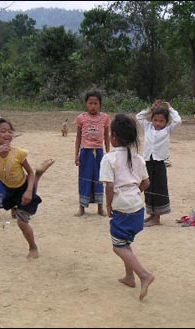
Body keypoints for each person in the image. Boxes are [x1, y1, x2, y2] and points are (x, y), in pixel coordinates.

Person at [99, 113, 155, 301]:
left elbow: (109, 185)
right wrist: (134, 192)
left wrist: (108, 204)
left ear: (114, 136)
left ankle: (144, 275)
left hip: (122, 207)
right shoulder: (138, 158)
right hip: (137, 208)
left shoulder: (109, 159)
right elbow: (146, 183)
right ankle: (129, 277)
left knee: (118, 246)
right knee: (125, 242)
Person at [0, 118, 54, 259]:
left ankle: (33, 247)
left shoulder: (18, 153)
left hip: (23, 186)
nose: (8, 134)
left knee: (22, 221)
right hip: (9, 189)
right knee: (11, 207)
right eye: (3, 131)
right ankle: (39, 177)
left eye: (10, 131)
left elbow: (29, 173)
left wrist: (28, 190)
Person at [136, 100, 181, 227]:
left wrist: (170, 109)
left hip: (160, 163)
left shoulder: (167, 130)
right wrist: (151, 109)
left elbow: (178, 121)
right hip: (148, 162)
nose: (158, 123)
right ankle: (151, 214)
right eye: (155, 120)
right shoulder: (147, 126)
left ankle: (157, 218)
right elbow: (138, 116)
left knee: (159, 188)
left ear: (166, 122)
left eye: (161, 121)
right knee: (149, 188)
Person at [74, 90, 110, 217]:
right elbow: (78, 137)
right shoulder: (81, 118)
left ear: (100, 104)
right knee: (84, 179)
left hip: (99, 152)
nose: (93, 106)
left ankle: (100, 207)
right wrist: (76, 154)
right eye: (90, 103)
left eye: (96, 103)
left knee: (99, 179)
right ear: (86, 104)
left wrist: (108, 153)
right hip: (85, 152)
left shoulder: (105, 118)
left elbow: (107, 136)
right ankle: (82, 208)